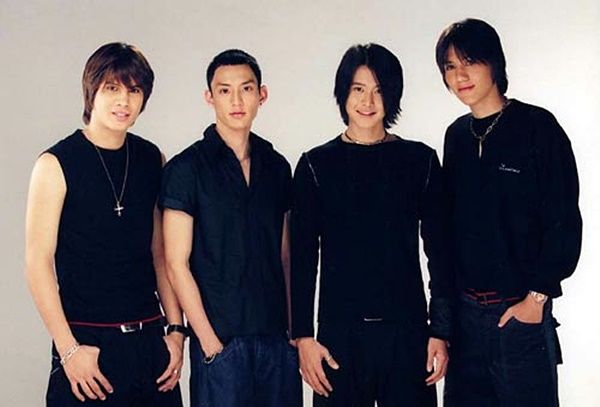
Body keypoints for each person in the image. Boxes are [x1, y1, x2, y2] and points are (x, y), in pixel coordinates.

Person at [291, 43, 453, 407]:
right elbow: (303, 258)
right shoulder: (316, 165)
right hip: (339, 336)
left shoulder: (419, 161)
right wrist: (303, 336)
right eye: (358, 89)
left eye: (379, 91)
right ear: (343, 93)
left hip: (407, 333)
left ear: (392, 96)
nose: (368, 101)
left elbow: (440, 253)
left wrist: (440, 330)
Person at [25, 42, 184, 407]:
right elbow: (37, 263)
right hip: (86, 344)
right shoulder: (55, 164)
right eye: (112, 88)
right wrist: (68, 350)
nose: (123, 101)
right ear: (91, 91)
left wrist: (175, 332)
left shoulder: (152, 158)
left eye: (134, 90)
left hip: (150, 341)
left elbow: (160, 254)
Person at [435, 18, 582, 406]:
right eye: (450, 66)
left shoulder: (537, 127)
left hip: (518, 316)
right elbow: (449, 231)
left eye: (470, 62)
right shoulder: (456, 137)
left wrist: (536, 299)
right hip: (466, 321)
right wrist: (446, 323)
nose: (460, 75)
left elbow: (564, 221)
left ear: (495, 63)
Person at [160, 49, 302, 407]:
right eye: (224, 90)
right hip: (221, 344)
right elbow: (176, 263)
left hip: (275, 341)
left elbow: (286, 256)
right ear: (210, 97)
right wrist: (209, 344)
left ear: (262, 95)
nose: (236, 101)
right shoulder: (186, 169)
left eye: (246, 89)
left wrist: (292, 332)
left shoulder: (277, 166)